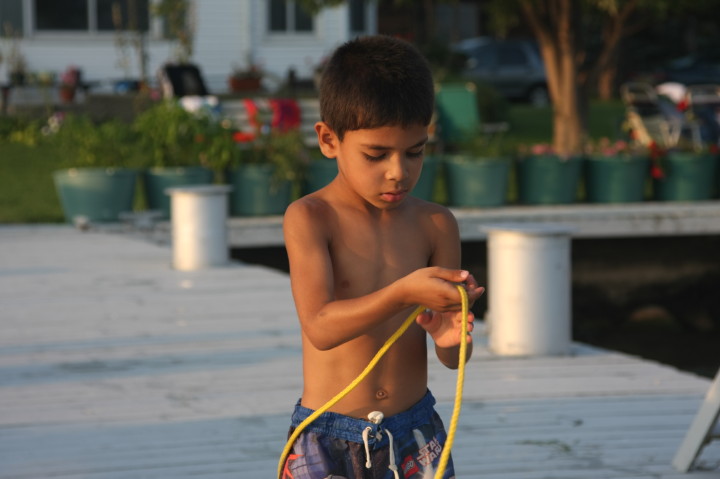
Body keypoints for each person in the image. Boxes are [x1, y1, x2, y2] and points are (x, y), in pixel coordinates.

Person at [282, 35, 485, 479]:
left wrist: (453, 340)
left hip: (415, 432)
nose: (399, 171)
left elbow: (452, 360)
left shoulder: (435, 224)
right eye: (376, 155)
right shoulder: (311, 218)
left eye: (415, 152)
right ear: (329, 139)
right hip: (328, 432)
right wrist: (401, 293)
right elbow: (319, 326)